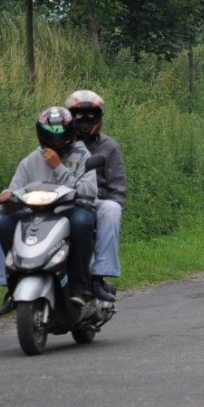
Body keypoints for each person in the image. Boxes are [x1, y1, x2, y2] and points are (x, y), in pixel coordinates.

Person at [0, 107, 97, 308]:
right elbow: (14, 189)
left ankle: (80, 287)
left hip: (70, 211)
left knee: (81, 221)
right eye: (50, 134)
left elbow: (88, 190)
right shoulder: (30, 160)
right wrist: (6, 197)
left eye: (61, 134)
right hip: (36, 214)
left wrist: (58, 167)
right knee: (3, 223)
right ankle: (13, 285)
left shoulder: (82, 155)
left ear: (71, 132)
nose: (56, 140)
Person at [65, 90, 126, 303]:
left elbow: (118, 187)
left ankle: (99, 276)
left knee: (112, 209)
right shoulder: (61, 143)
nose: (84, 120)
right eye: (78, 115)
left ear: (99, 116)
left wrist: (111, 209)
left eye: (90, 114)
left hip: (97, 201)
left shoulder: (109, 147)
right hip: (64, 199)